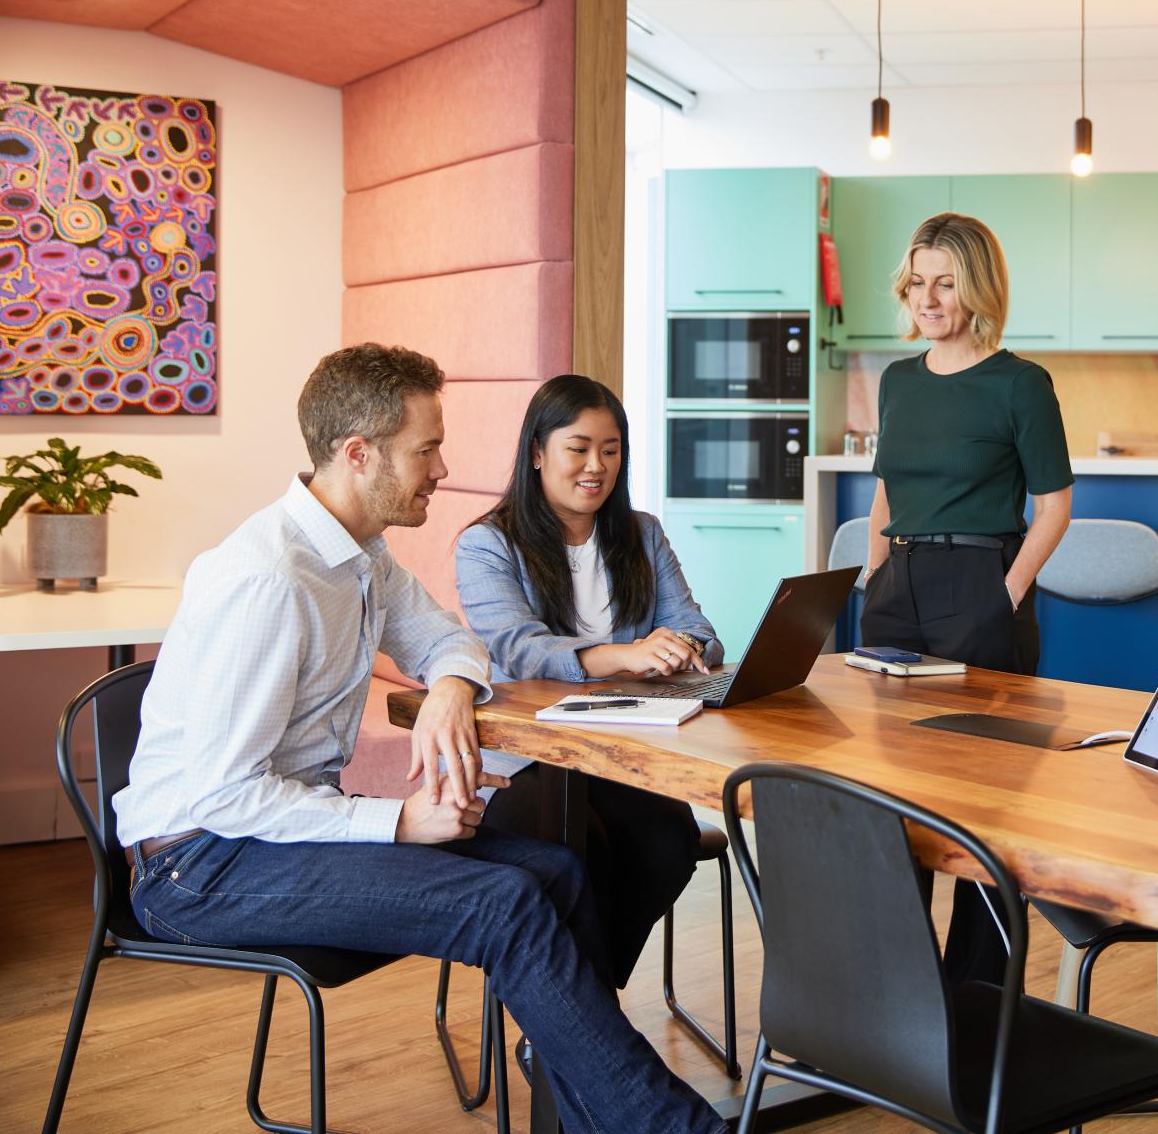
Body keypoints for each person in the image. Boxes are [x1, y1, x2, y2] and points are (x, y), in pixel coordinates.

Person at [112, 343, 725, 1134]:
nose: (443, 467)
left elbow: (452, 639)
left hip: (272, 833)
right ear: (358, 453)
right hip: (199, 861)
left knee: (558, 870)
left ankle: (586, 1111)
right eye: (426, 448)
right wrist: (397, 820)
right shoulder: (270, 578)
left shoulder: (360, 552)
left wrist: (447, 688)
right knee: (504, 902)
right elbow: (225, 794)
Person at [860, 211, 1075, 983]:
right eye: (918, 282)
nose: (929, 297)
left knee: (982, 810)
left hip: (980, 589)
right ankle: (902, 999)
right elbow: (887, 493)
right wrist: (872, 577)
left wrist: (1005, 598)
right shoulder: (897, 381)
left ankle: (977, 1000)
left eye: (946, 282)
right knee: (892, 802)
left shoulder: (1021, 385)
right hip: (896, 595)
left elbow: (1053, 507)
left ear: (977, 287)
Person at [456, 374, 718, 987]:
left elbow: (698, 628)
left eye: (611, 449)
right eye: (578, 448)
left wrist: (683, 649)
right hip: (525, 761)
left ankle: (583, 1012)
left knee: (667, 844)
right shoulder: (488, 543)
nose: (596, 466)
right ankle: (583, 1030)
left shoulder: (640, 532)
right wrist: (621, 655)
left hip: (618, 756)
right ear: (538, 452)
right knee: (568, 856)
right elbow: (518, 650)